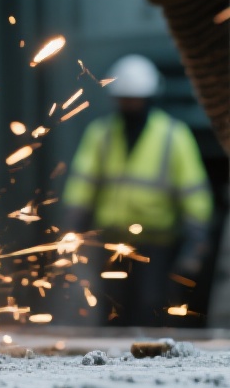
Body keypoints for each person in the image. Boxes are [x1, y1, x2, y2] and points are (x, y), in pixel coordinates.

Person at [63, 55, 213, 326]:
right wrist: (74, 229)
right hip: (112, 241)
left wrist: (196, 242)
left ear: (148, 98)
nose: (128, 104)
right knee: (112, 309)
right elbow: (82, 187)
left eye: (133, 99)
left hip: (157, 244)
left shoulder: (173, 136)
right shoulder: (101, 135)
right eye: (123, 98)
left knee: (150, 306)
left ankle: (149, 363)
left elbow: (194, 194)